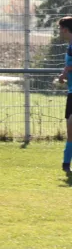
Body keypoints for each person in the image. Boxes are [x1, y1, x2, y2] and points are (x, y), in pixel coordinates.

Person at [57, 17, 72, 172]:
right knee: (70, 131)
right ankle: (66, 164)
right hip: (70, 93)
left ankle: (66, 164)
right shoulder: (70, 46)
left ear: (66, 29)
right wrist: (64, 75)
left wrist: (67, 70)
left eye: (60, 29)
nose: (59, 32)